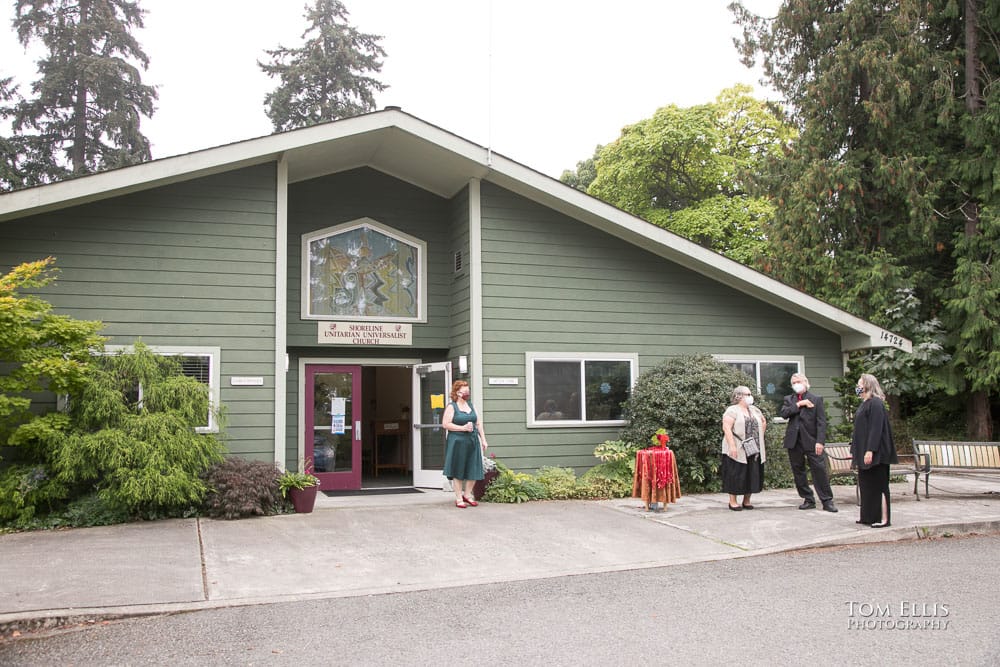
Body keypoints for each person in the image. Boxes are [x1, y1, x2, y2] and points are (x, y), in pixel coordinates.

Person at [780, 373, 837, 513]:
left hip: (811, 441)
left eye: (798, 381)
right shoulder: (789, 399)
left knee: (819, 470)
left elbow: (821, 423)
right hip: (794, 441)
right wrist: (800, 404)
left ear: (806, 382)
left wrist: (820, 442)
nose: (796, 384)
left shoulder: (816, 399)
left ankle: (827, 500)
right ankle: (808, 499)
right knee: (798, 471)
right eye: (793, 382)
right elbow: (784, 413)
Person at [850, 373, 898, 527]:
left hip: (877, 453)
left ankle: (883, 518)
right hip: (863, 452)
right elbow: (860, 430)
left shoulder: (876, 403)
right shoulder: (864, 403)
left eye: (860, 384)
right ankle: (868, 516)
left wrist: (870, 450)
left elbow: (876, 429)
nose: (857, 387)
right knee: (866, 485)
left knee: (879, 485)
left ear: (868, 385)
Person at [442, 380, 488, 508]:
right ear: (457, 392)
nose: (467, 393)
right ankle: (458, 498)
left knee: (473, 467)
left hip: (472, 441)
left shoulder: (471, 406)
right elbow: (446, 424)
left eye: (468, 391)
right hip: (457, 442)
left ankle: (467, 495)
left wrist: (483, 439)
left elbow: (478, 423)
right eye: (464, 391)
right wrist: (462, 428)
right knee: (458, 469)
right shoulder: (452, 406)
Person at [721, 386, 766, 511]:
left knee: (752, 473)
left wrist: (759, 436)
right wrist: (732, 446)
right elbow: (726, 428)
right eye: (748, 394)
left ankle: (747, 501)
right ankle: (733, 501)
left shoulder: (754, 410)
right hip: (738, 448)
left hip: (753, 449)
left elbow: (763, 421)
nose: (750, 396)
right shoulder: (732, 410)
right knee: (736, 474)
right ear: (739, 396)